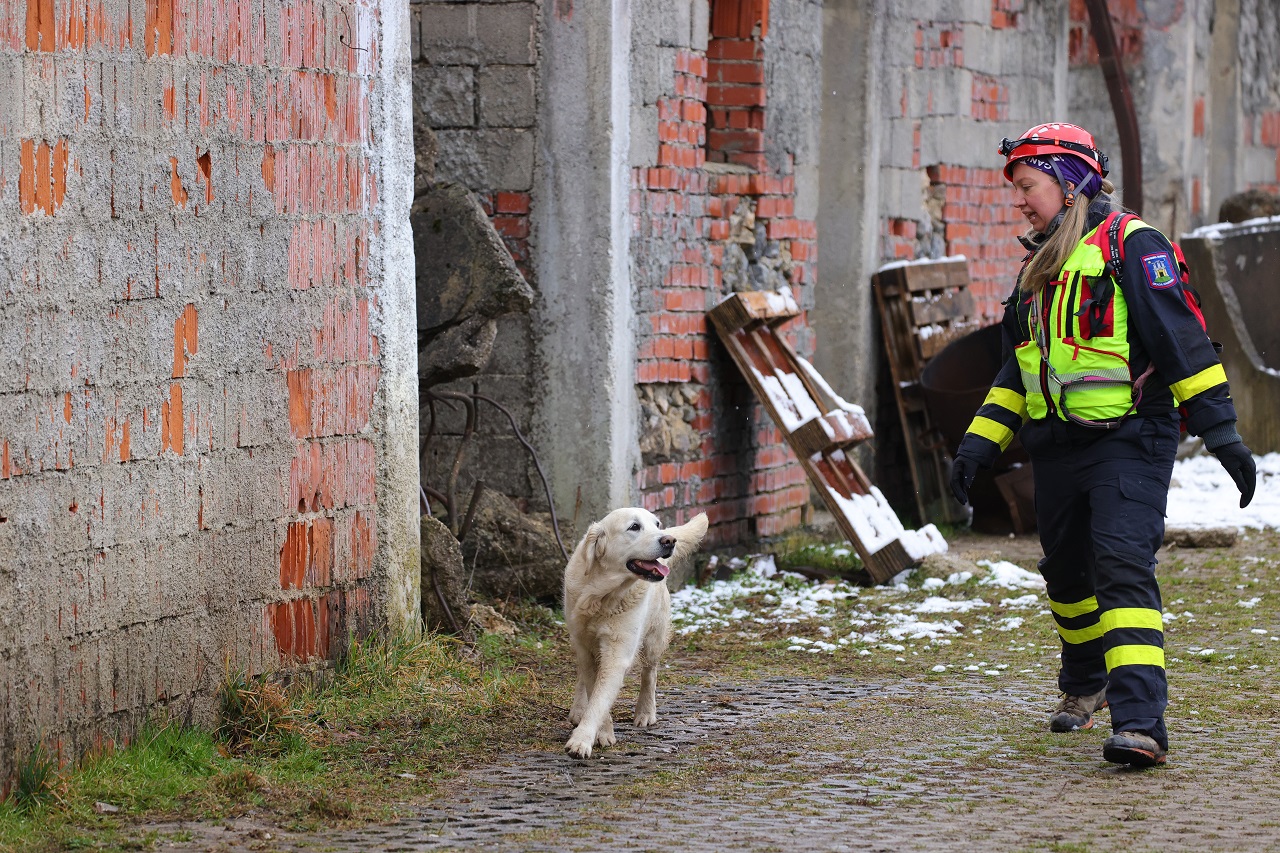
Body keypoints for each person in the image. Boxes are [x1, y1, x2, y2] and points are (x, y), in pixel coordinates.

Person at [948, 122, 1257, 768]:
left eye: (1029, 186)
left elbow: (1183, 344)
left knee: (1121, 566)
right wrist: (977, 447)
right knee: (1065, 573)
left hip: (1132, 439)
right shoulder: (1039, 264)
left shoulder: (1132, 247)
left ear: (1069, 183)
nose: (1022, 201)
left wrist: (1223, 435)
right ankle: (1087, 678)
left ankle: (1141, 722)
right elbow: (1018, 369)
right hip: (1056, 448)